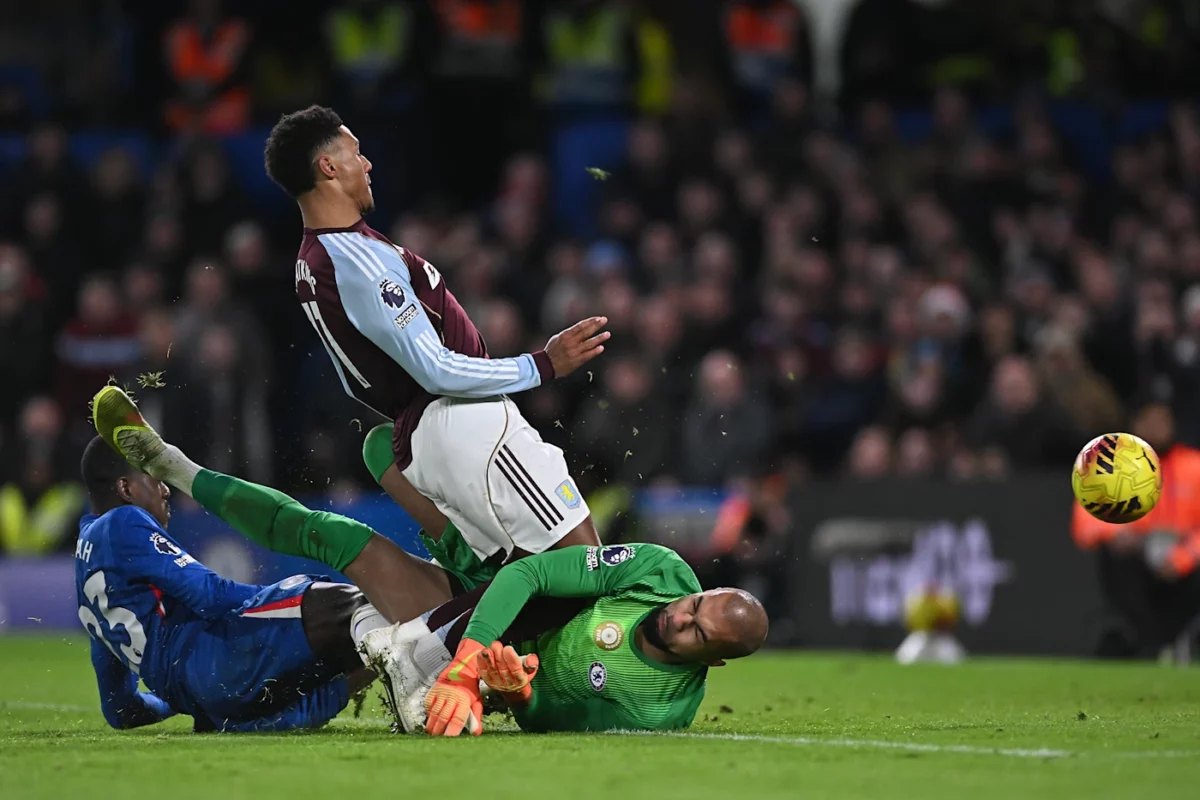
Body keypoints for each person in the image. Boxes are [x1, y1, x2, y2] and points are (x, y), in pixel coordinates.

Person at [91, 386, 769, 735]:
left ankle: (175, 467)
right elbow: (534, 573)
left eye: (696, 633)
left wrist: (514, 691)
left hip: (477, 639)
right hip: (497, 591)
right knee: (382, 448)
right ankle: (171, 463)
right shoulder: (662, 574)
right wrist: (475, 656)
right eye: (696, 606)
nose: (681, 617)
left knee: (334, 538)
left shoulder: (657, 708)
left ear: (710, 662)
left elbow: (552, 721)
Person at [263, 105, 609, 594]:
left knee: (538, 593)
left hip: (436, 434)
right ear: (329, 167)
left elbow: (353, 380)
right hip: (466, 424)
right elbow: (435, 369)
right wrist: (543, 364)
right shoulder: (359, 261)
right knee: (591, 573)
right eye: (356, 153)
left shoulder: (314, 261)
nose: (367, 164)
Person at [1071, 398, 1200, 658]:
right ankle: (1148, 645)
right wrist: (1116, 533)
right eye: (1149, 421)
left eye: (1161, 421)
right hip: (1136, 556)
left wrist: (1182, 559)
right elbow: (1085, 521)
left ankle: (1183, 641)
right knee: (1118, 561)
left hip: (1185, 557)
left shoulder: (1194, 466)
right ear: (1135, 424)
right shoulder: (1109, 463)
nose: (1156, 428)